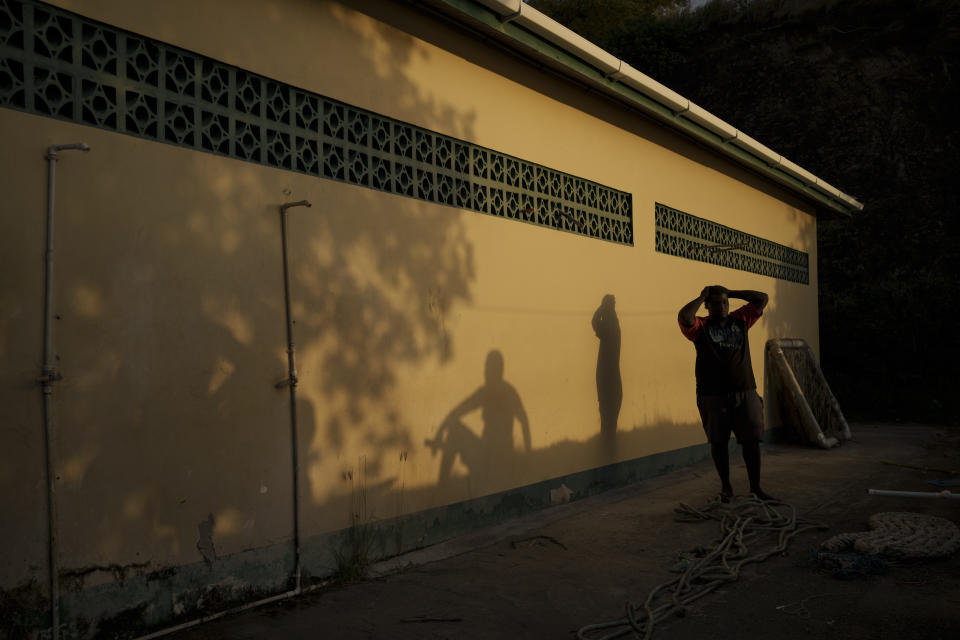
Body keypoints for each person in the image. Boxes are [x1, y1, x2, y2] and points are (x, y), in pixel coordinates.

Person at [678, 285, 774, 502]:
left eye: (724, 302)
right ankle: (726, 488)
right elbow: (685, 316)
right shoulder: (700, 326)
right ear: (707, 306)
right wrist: (702, 295)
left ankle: (756, 488)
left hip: (745, 391)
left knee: (751, 442)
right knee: (718, 443)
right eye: (715, 303)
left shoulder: (740, 320)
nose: (720, 306)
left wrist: (731, 292)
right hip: (712, 395)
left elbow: (762, 298)